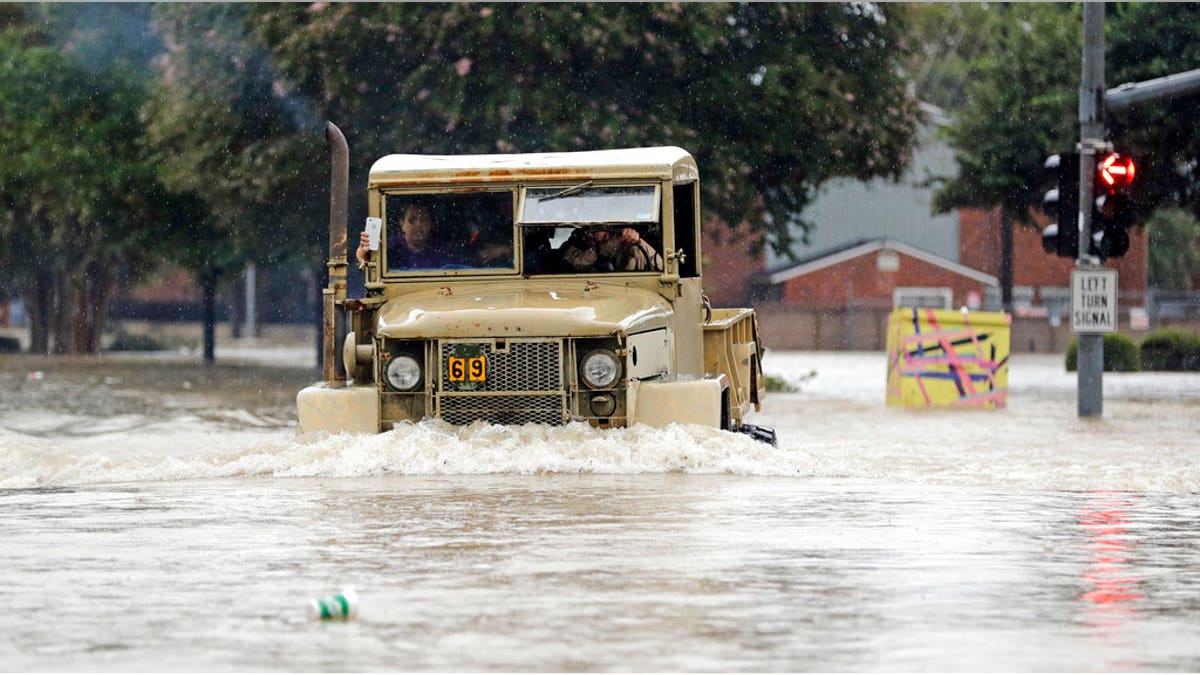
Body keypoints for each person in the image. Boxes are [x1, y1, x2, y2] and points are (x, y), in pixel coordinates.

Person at [357, 202, 455, 270]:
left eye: (424, 220)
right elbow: (365, 261)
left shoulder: (442, 251)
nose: (418, 225)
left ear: (431, 224)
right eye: (412, 220)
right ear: (402, 224)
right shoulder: (389, 247)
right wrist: (364, 251)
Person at [559, 226, 662, 273]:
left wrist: (636, 242)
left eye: (597, 227)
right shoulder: (575, 245)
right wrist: (594, 249)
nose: (591, 233)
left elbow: (658, 266)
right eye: (587, 228)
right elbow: (575, 264)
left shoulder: (628, 244)